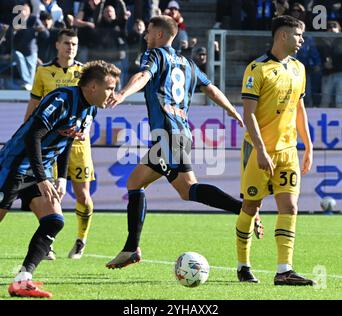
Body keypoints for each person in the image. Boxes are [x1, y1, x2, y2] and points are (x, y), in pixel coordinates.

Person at [105, 15, 250, 270]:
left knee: (188, 189)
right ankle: (131, 248)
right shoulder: (187, 63)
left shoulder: (155, 55)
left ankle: (244, 209)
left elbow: (142, 76)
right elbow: (211, 88)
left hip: (167, 135)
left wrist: (123, 93)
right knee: (137, 182)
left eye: (149, 31)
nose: (146, 36)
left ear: (160, 35)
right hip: (180, 134)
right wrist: (231, 110)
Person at [0, 60, 121, 298]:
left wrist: (61, 178)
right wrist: (43, 177)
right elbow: (32, 136)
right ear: (93, 87)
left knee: (54, 220)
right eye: (109, 88)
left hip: (40, 170)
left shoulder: (91, 109)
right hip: (15, 165)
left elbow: (67, 141)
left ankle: (23, 280)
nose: (113, 94)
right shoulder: (62, 99)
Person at [236, 15, 315, 285]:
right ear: (282, 36)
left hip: (288, 151)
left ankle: (284, 270)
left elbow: (299, 108)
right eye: (297, 35)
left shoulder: (299, 69)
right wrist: (260, 150)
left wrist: (308, 143)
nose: (301, 40)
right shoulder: (257, 69)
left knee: (290, 206)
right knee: (250, 206)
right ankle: (243, 265)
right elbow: (249, 115)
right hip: (260, 150)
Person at [23, 29, 95, 260]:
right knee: (51, 194)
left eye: (74, 44)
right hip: (51, 143)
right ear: (57, 45)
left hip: (77, 144)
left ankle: (81, 239)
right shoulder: (43, 72)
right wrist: (25, 131)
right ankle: (49, 243)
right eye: (66, 43)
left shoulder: (84, 72)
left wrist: (86, 128)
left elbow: (92, 106)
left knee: (82, 195)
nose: (70, 48)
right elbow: (33, 106)